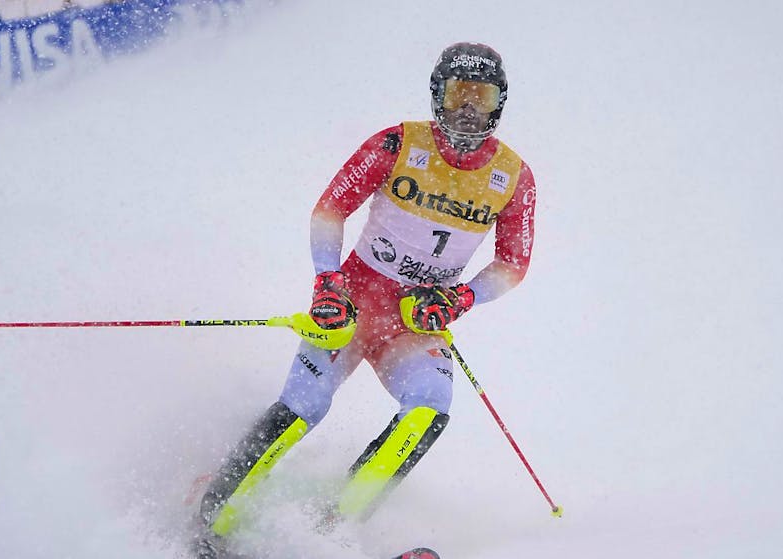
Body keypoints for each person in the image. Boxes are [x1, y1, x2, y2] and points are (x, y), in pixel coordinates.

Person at [193, 41, 537, 558]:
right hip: (352, 302)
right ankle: (212, 522)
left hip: (413, 322)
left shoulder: (513, 178)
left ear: (500, 102)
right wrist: (327, 282)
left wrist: (460, 298)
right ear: (436, 96)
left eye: (482, 97)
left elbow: (513, 265)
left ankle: (333, 529)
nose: (468, 108)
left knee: (429, 407)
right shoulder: (396, 144)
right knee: (306, 405)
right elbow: (330, 210)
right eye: (457, 93)